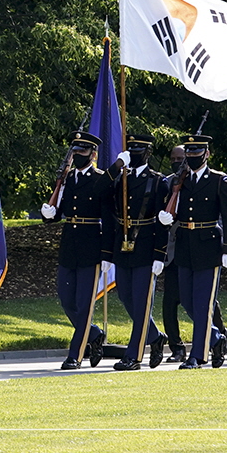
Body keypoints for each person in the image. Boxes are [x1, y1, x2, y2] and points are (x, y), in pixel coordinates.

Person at [157, 134, 227, 370]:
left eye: (196, 154)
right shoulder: (179, 181)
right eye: (188, 154)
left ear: (207, 155)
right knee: (189, 301)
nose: (191, 158)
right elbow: (176, 208)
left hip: (208, 246)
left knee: (202, 304)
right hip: (184, 244)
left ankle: (198, 356)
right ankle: (215, 338)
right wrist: (167, 215)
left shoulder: (218, 180)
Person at [41, 131, 114, 370]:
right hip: (69, 245)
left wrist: (107, 254)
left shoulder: (101, 179)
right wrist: (50, 215)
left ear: (93, 155)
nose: (77, 156)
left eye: (82, 152)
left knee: (84, 304)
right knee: (65, 298)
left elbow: (109, 219)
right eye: (75, 152)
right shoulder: (68, 178)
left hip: (91, 245)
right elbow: (61, 209)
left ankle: (76, 355)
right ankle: (93, 333)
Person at [105, 134, 169, 370]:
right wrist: (116, 167)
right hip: (123, 247)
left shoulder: (158, 181)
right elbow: (100, 191)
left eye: (138, 150)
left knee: (142, 303)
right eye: (130, 149)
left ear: (148, 153)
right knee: (126, 297)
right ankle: (154, 335)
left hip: (145, 246)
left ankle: (134, 356)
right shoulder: (120, 178)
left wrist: (159, 254)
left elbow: (163, 222)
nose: (133, 153)